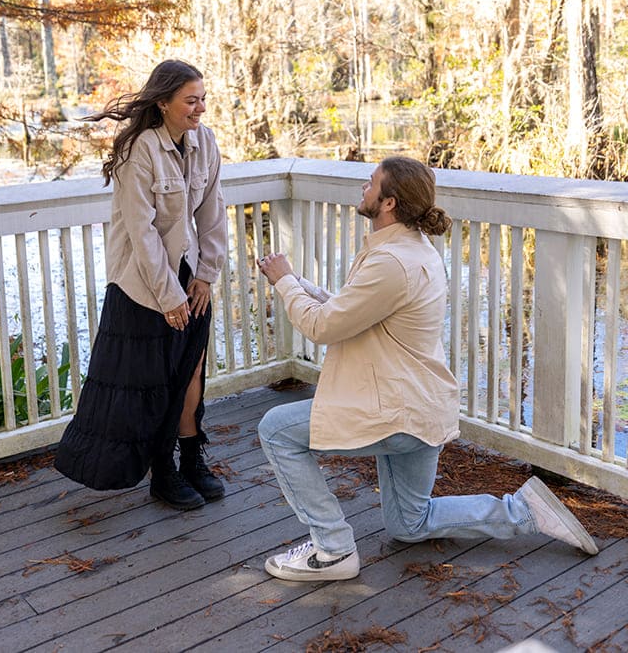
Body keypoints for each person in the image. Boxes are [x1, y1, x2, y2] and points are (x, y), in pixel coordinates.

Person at [255, 155, 598, 582]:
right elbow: (350, 310)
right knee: (409, 523)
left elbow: (321, 327)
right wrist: (300, 283)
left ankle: (333, 550)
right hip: (421, 407)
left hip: (397, 412)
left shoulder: (391, 262)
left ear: (389, 203)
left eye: (371, 182)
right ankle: (524, 511)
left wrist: (284, 282)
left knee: (276, 429)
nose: (363, 187)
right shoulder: (411, 249)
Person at [54, 59, 229, 510]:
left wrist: (206, 276)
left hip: (191, 276)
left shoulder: (205, 142)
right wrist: (168, 296)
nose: (200, 108)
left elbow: (213, 213)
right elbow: (141, 231)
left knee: (191, 371)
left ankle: (191, 459)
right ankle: (162, 472)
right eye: (191, 101)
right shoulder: (140, 150)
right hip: (141, 284)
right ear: (163, 102)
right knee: (152, 384)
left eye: (203, 99)